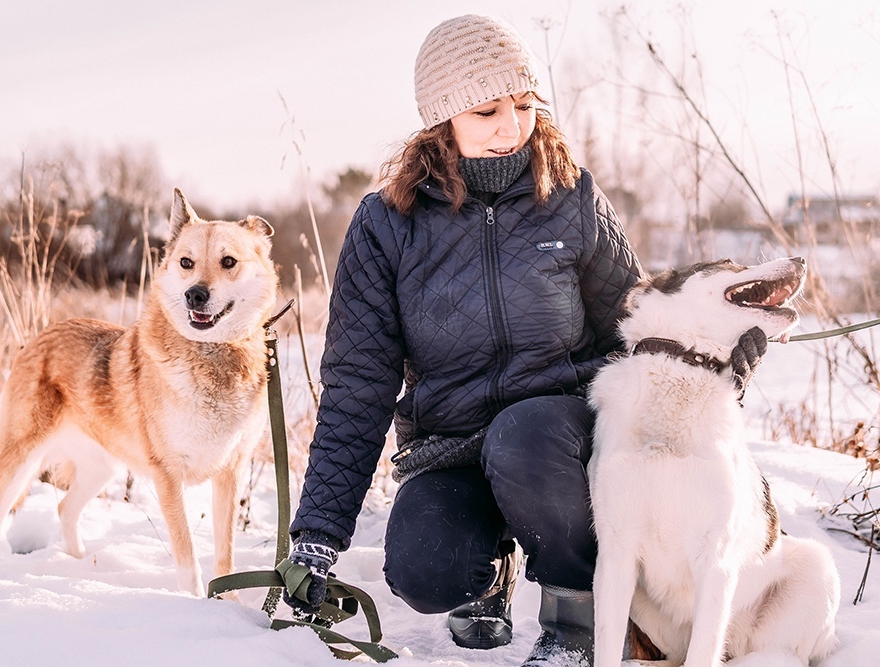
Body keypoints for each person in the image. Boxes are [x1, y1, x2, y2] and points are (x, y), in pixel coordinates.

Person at [284, 14, 767, 667]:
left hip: (559, 440)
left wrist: (718, 350)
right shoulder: (386, 226)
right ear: (442, 118)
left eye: (524, 104)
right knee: (424, 567)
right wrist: (318, 534)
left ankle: (575, 619)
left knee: (526, 432)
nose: (512, 125)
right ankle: (485, 579)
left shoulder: (570, 197)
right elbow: (357, 386)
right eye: (487, 110)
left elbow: (638, 327)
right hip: (450, 448)